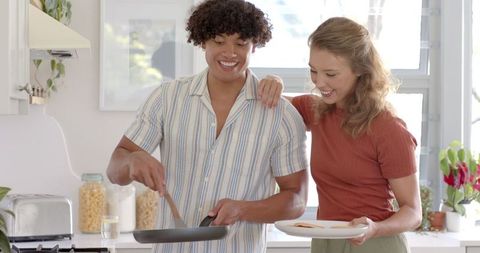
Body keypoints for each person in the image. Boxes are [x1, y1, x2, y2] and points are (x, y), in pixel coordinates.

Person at [106, 0, 309, 252]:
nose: (230, 52)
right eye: (219, 41)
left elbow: (296, 200)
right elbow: (115, 169)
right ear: (203, 41)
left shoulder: (281, 115)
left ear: (254, 45)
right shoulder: (167, 98)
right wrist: (132, 160)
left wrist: (243, 209)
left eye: (241, 43)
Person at [259, 17, 421, 253]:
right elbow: (264, 104)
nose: (319, 82)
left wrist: (374, 228)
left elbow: (413, 212)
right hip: (325, 241)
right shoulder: (317, 111)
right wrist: (272, 82)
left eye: (331, 74)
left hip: (373, 243)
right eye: (313, 71)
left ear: (360, 71)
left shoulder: (388, 129)